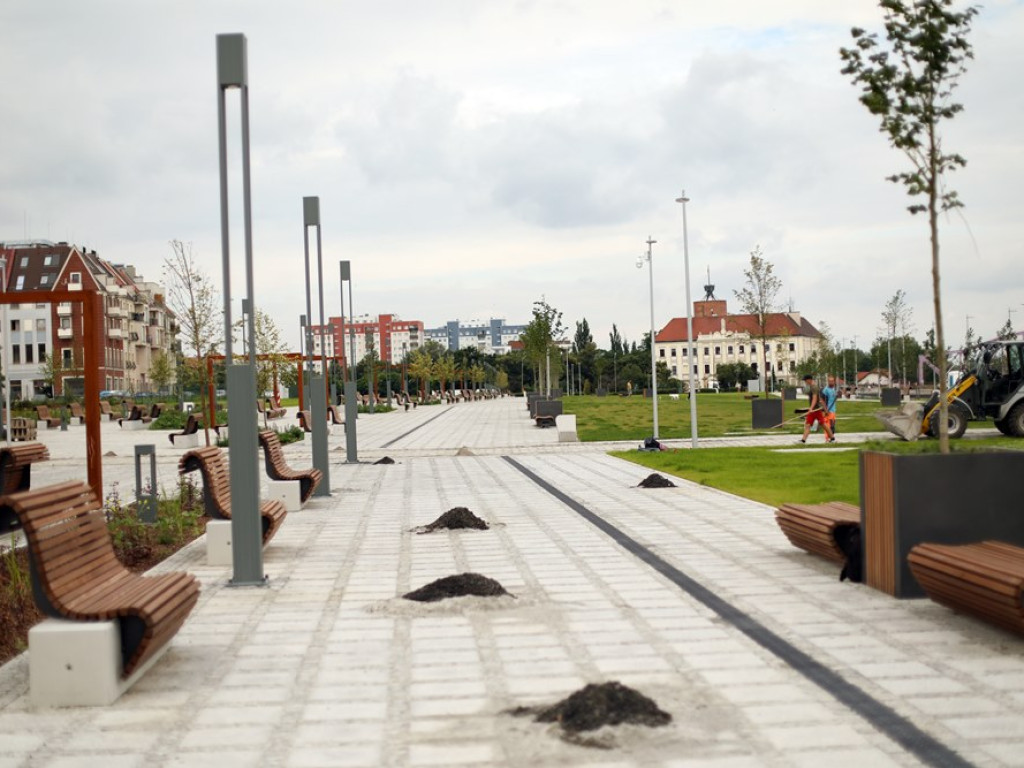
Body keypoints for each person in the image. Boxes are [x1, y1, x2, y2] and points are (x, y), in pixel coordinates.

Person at [800, 373, 834, 444]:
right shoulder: (812, 387)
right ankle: (803, 440)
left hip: (816, 409)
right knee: (809, 424)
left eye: (805, 380)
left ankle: (832, 438)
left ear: (809, 380)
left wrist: (811, 408)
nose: (805, 382)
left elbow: (815, 399)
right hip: (814, 410)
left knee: (822, 424)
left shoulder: (814, 387)